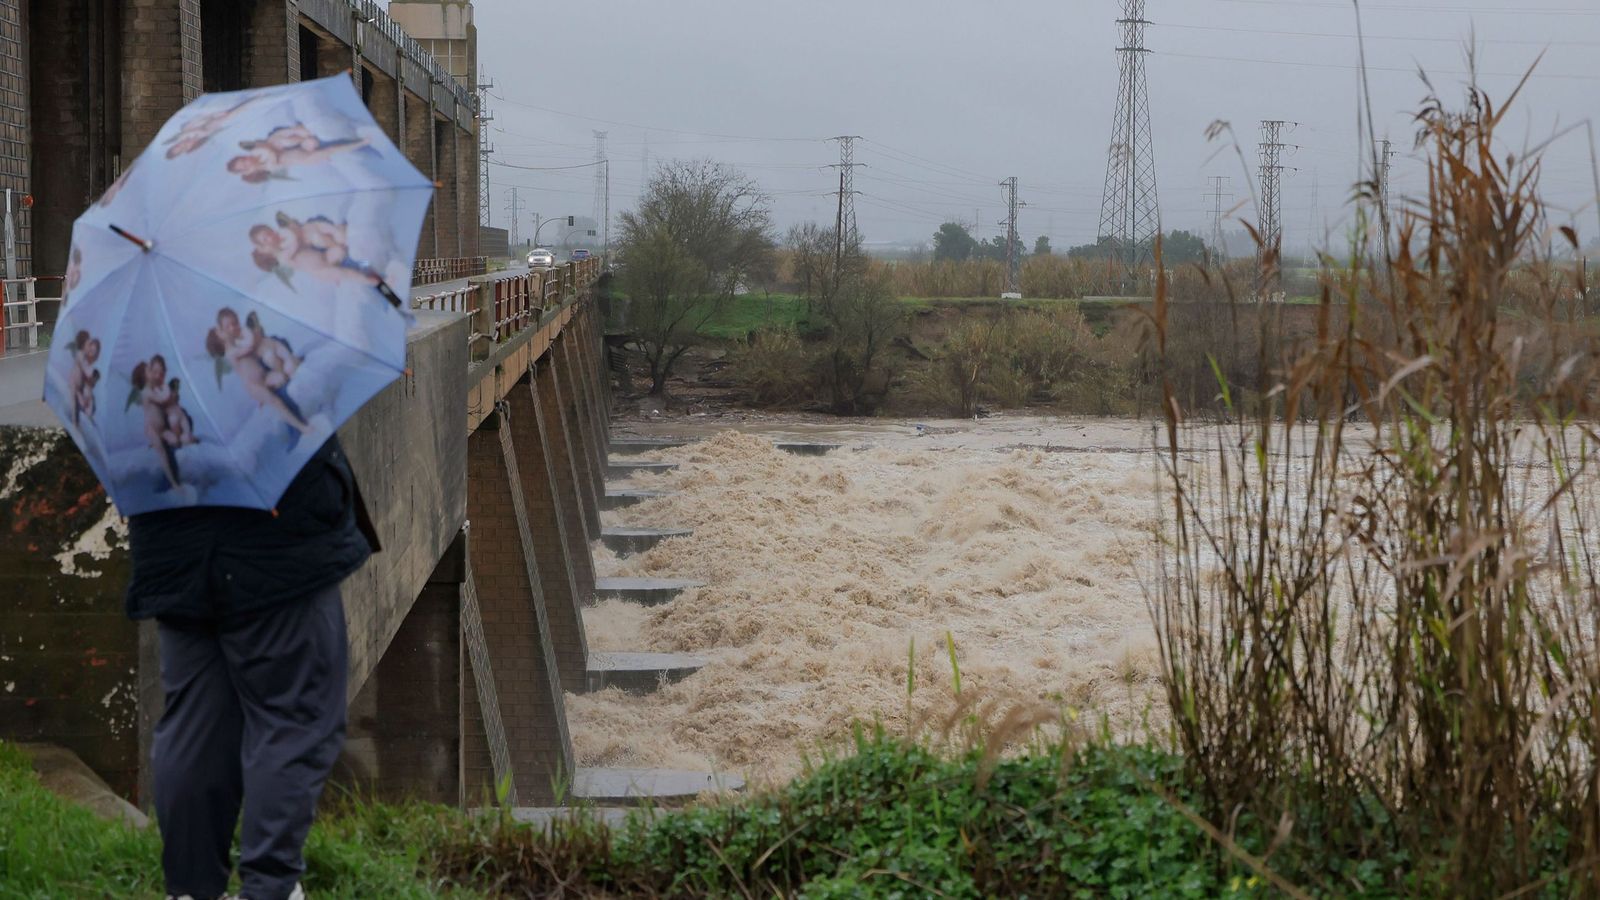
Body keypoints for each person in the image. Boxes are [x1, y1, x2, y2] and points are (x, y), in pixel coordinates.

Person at [128, 436, 381, 900]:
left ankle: (190, 889)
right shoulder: (261, 362)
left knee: (194, 726)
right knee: (293, 719)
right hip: (275, 540)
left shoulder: (138, 369)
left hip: (170, 533)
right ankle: (270, 888)